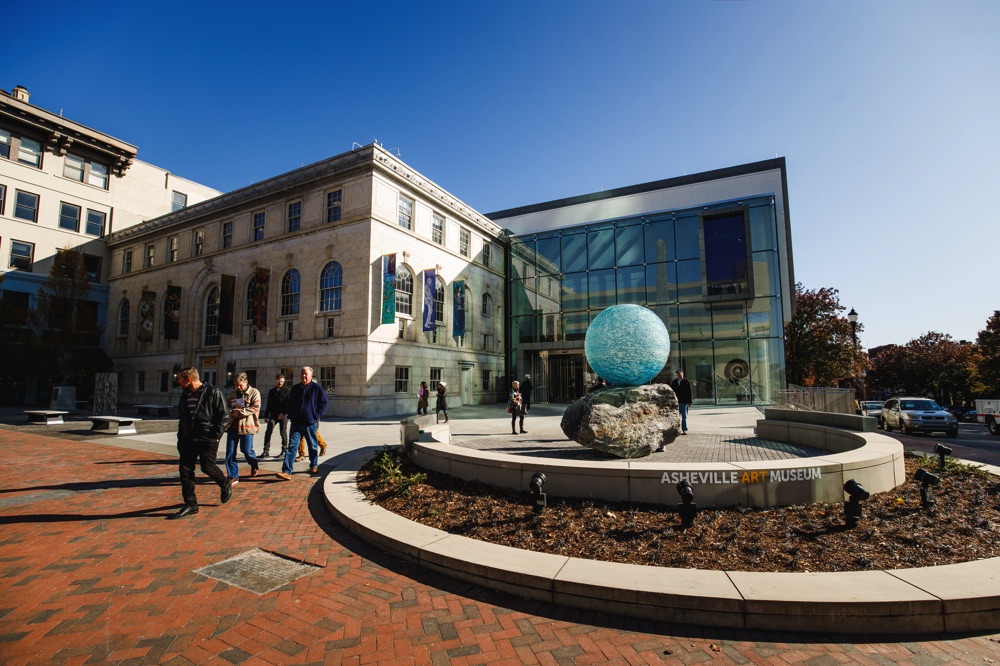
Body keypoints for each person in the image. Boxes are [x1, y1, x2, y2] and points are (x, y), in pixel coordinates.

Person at [171, 367, 231, 518]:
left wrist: (215, 436)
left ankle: (224, 483)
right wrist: (180, 436)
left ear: (188, 379)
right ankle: (190, 504)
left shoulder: (213, 392)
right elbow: (183, 417)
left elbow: (224, 416)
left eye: (180, 379)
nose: (177, 381)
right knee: (185, 470)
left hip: (207, 438)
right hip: (188, 439)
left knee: (207, 467)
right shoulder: (185, 394)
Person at [276, 366, 328, 480]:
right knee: (292, 447)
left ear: (311, 375)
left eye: (306, 374)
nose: (304, 376)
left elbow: (324, 403)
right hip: (296, 423)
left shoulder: (316, 388)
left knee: (313, 446)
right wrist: (290, 415)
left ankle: (314, 465)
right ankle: (286, 471)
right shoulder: (295, 388)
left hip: (310, 423)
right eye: (302, 374)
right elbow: (290, 403)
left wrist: (316, 415)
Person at [225, 373, 261, 484]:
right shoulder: (232, 394)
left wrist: (240, 412)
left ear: (246, 382)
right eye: (236, 385)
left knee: (246, 450)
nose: (238, 387)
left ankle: (254, 463)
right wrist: (231, 411)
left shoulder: (254, 392)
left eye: (240, 385)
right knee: (230, 452)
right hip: (233, 426)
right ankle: (233, 475)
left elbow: (255, 408)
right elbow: (226, 406)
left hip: (247, 426)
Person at [262, 373, 290, 458]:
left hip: (283, 414)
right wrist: (266, 415)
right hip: (273, 414)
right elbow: (269, 404)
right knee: (268, 431)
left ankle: (284, 450)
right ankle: (266, 450)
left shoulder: (287, 390)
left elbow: (288, 403)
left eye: (281, 381)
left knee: (283, 432)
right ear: (275, 381)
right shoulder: (272, 391)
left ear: (284, 381)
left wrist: (284, 413)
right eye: (278, 381)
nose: (280, 383)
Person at [670, 369, 693, 434]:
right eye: (677, 374)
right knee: (676, 416)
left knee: (684, 416)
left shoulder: (686, 381)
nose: (679, 375)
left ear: (682, 373)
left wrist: (689, 402)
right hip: (676, 402)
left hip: (684, 402)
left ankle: (684, 429)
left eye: (680, 373)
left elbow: (690, 392)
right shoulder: (674, 382)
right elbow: (671, 391)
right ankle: (675, 430)